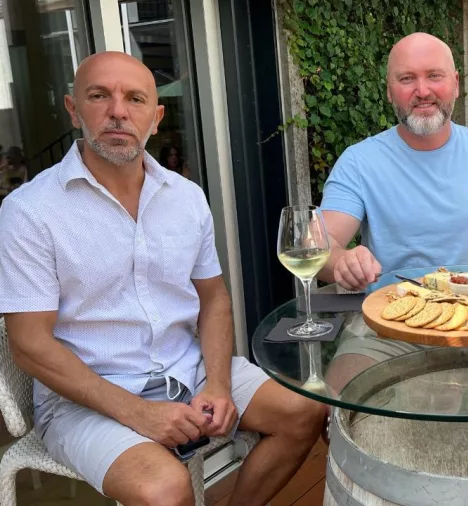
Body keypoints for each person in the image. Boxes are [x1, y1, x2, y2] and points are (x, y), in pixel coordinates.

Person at [0, 52, 326, 506]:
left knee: (305, 412)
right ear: (74, 109)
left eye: (134, 99)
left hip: (187, 368)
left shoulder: (186, 198)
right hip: (85, 396)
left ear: (155, 118)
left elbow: (213, 300)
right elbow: (28, 343)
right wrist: (139, 413)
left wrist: (216, 383)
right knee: (165, 489)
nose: (118, 111)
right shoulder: (30, 212)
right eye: (99, 96)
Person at [318, 32, 468, 291]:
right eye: (407, 78)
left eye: (434, 75)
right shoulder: (359, 162)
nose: (422, 90)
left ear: (456, 83)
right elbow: (321, 244)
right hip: (392, 320)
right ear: (389, 92)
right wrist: (342, 260)